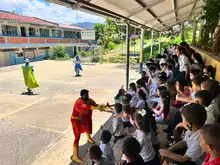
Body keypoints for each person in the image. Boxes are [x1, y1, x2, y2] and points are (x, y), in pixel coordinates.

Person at [70, 89, 104, 163]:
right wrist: (97, 108)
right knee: (77, 136)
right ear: (82, 96)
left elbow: (95, 105)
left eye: (88, 94)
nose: (88, 96)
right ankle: (75, 156)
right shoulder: (79, 102)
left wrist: (103, 107)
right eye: (86, 95)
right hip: (76, 120)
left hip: (83, 118)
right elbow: (87, 107)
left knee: (87, 126)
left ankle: (88, 138)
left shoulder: (89, 100)